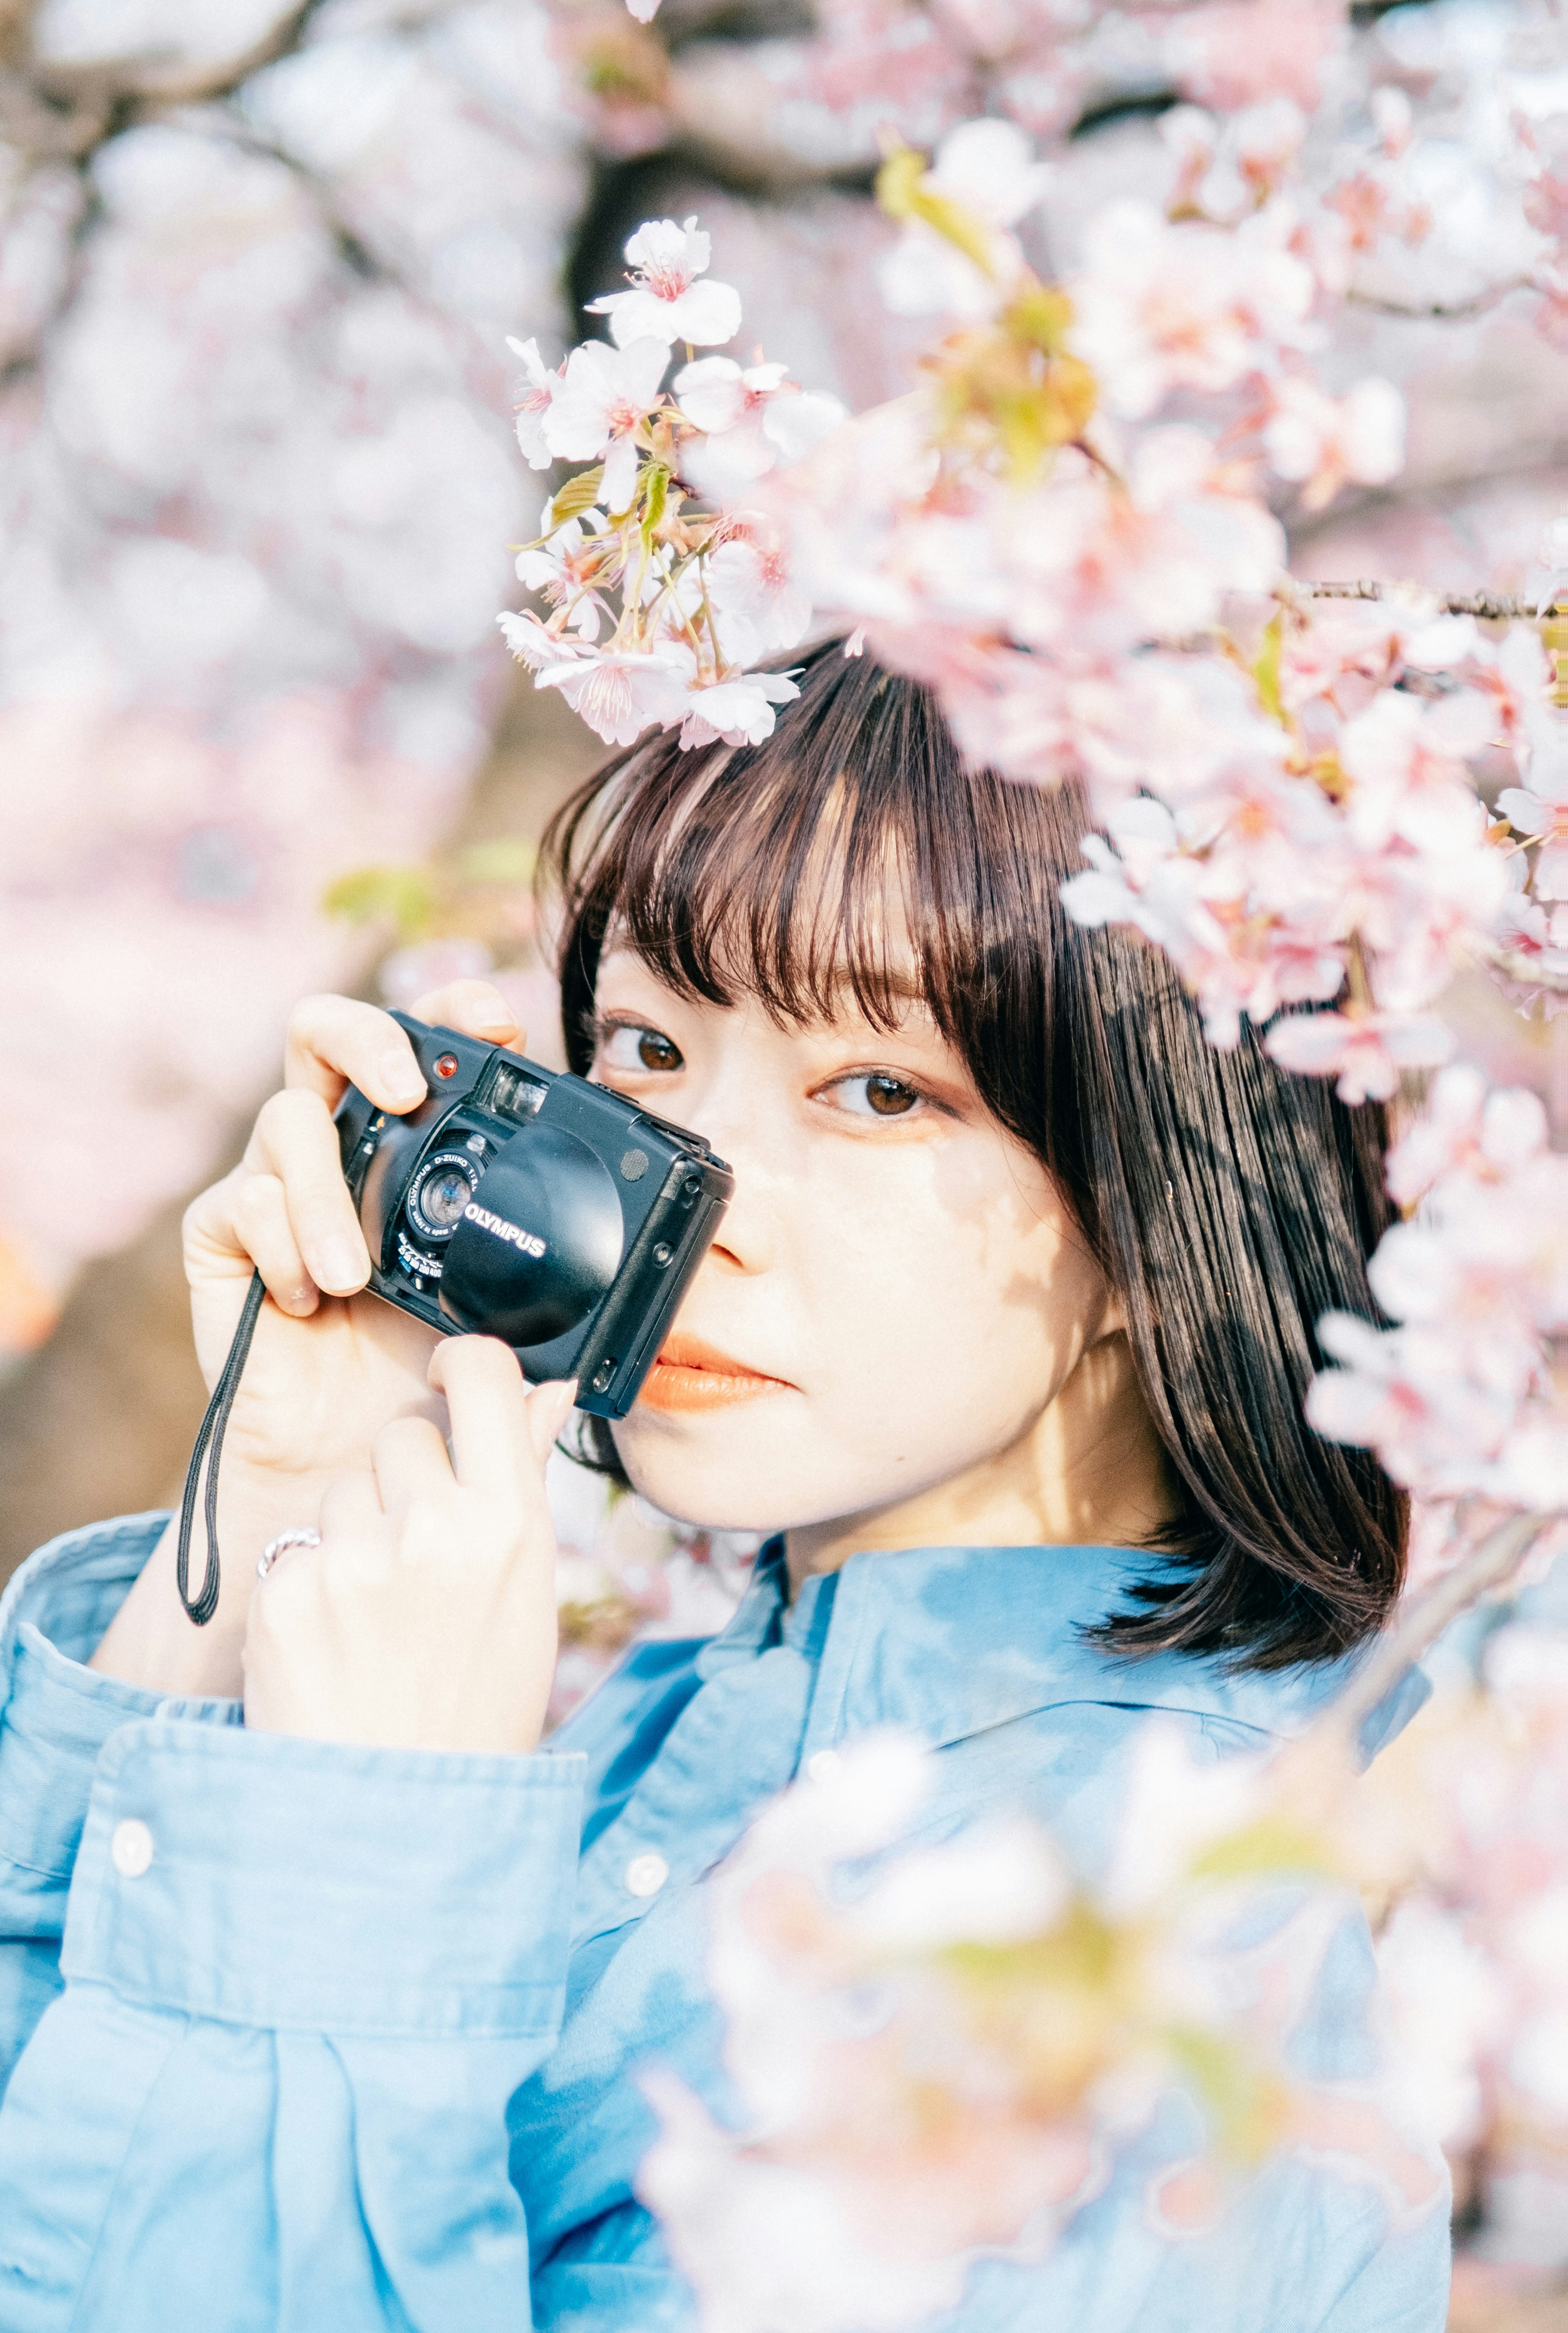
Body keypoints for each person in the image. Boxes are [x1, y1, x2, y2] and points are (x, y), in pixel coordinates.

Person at [0, 643, 1446, 2331]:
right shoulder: (679, 1728)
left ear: (1166, 1207)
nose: (702, 1210)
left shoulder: (1152, 1940)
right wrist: (254, 1550)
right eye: (646, 1051)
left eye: (883, 1091)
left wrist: (364, 1842)